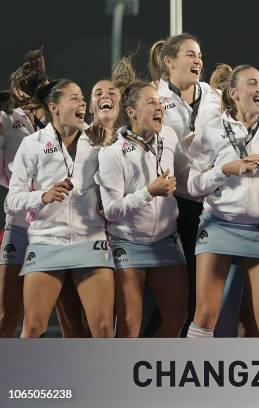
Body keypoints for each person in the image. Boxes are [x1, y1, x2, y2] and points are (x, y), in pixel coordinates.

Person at [186, 64, 259, 337]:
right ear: (234, 93)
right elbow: (193, 186)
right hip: (218, 226)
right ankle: (194, 377)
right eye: (252, 83)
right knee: (205, 317)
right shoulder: (211, 131)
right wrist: (224, 171)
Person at [149, 34, 243, 336]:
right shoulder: (153, 95)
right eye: (190, 54)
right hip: (171, 204)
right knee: (169, 295)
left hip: (212, 203)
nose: (198, 61)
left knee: (207, 293)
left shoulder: (215, 97)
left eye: (199, 55)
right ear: (169, 61)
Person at [6, 79, 115, 337]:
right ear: (54, 107)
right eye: (74, 98)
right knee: (33, 327)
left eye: (82, 98)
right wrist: (42, 196)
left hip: (90, 240)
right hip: (46, 240)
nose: (83, 103)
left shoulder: (96, 139)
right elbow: (12, 199)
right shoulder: (32, 143)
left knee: (102, 328)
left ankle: (103, 378)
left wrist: (109, 139)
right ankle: (24, 378)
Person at [96, 79, 187, 337]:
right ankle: (122, 375)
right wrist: (149, 192)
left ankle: (153, 374)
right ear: (132, 113)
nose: (159, 107)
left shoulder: (168, 136)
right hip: (128, 243)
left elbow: (186, 175)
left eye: (160, 102)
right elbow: (111, 210)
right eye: (151, 103)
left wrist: (216, 178)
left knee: (177, 319)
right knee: (129, 324)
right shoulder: (112, 153)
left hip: (167, 241)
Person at [0, 49, 49, 337]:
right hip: (18, 223)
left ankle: (32, 372)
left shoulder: (54, 120)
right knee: (8, 312)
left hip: (50, 227)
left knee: (37, 316)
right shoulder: (8, 118)